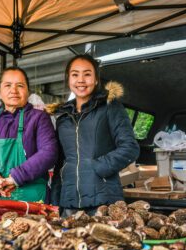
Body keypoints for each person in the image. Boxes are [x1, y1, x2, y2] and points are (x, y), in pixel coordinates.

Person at [50, 54, 139, 216]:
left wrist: (97, 167)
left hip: (103, 201)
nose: (81, 80)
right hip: (68, 203)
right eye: (75, 74)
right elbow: (60, 163)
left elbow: (130, 148)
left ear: (96, 79)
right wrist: (55, 199)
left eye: (87, 74)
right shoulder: (62, 118)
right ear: (69, 79)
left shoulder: (110, 107)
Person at [0, 67, 58, 202]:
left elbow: (49, 152)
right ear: (0, 92)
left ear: (28, 91)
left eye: (20, 85)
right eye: (8, 85)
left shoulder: (39, 118)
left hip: (32, 199)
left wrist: (16, 177)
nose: (14, 90)